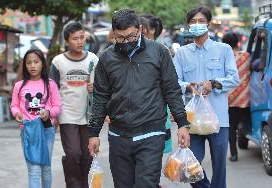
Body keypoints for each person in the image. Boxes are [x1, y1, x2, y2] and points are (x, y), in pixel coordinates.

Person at [88, 9, 190, 188]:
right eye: (120, 38)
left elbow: (171, 89)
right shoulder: (106, 58)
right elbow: (100, 97)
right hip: (119, 134)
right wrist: (93, 133)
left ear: (140, 29)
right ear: (114, 34)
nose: (126, 42)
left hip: (151, 132)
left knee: (146, 184)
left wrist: (182, 123)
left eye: (131, 36)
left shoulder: (159, 52)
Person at [173, 6, 239, 188]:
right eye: (193, 22)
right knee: (192, 164)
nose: (197, 25)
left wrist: (215, 83)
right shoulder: (181, 53)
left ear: (208, 24)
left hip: (218, 119)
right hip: (192, 120)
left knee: (219, 165)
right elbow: (173, 83)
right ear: (188, 25)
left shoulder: (224, 50)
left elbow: (234, 79)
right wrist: (188, 86)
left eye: (201, 21)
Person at [50, 22, 99, 188]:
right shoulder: (58, 62)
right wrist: (53, 115)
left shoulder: (93, 59)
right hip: (67, 115)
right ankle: (73, 184)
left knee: (87, 155)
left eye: (82, 37)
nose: (80, 41)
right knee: (73, 154)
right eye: (75, 38)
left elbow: (104, 85)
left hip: (88, 115)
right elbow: (52, 89)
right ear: (66, 41)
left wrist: (96, 87)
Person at [10, 48, 61, 188]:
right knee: (33, 170)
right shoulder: (19, 86)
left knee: (46, 168)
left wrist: (48, 112)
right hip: (28, 132)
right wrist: (17, 114)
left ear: (42, 64)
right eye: (29, 62)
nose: (32, 65)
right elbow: (14, 106)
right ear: (24, 65)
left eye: (36, 62)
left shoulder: (50, 84)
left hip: (46, 131)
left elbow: (57, 107)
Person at [140, 14, 173, 154]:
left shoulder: (162, 51)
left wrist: (172, 109)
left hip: (157, 110)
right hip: (136, 111)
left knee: (154, 154)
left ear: (152, 30)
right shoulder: (131, 51)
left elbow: (170, 84)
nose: (138, 31)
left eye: (142, 28)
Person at [222, 33, 251, 162]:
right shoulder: (246, 56)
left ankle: (234, 154)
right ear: (238, 43)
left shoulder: (223, 59)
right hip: (247, 98)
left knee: (231, 127)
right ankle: (245, 141)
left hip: (231, 100)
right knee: (245, 121)